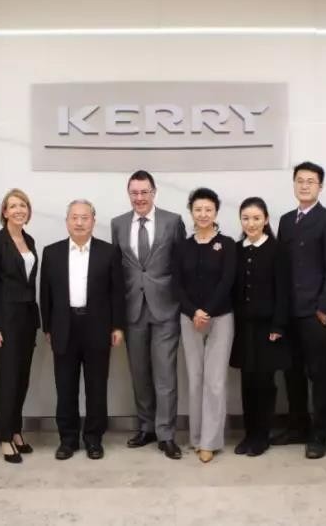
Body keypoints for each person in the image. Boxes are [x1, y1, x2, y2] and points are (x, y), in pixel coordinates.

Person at [41, 200, 126, 461]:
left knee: (96, 387)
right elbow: (45, 294)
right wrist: (48, 327)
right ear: (67, 221)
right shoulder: (52, 252)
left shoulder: (109, 252)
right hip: (64, 326)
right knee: (65, 387)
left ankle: (93, 439)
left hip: (97, 326)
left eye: (85, 217)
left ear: (93, 221)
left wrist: (117, 326)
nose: (79, 222)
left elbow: (117, 292)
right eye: (74, 217)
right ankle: (67, 439)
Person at [111, 170, 187, 459]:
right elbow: (117, 270)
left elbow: (181, 265)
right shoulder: (118, 224)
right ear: (128, 194)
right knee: (139, 373)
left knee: (165, 375)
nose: (139, 197)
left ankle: (166, 434)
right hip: (132, 309)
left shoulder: (173, 221)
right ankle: (146, 427)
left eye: (144, 192)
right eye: (134, 192)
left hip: (165, 308)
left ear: (154, 192)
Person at [275, 161, 326, 459]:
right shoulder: (285, 221)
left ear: (320, 186)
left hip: (315, 313)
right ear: (294, 184)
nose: (304, 186)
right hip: (288, 312)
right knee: (291, 373)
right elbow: (281, 267)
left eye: (310, 181)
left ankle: (319, 433)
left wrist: (324, 309)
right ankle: (297, 426)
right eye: (300, 180)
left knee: (319, 375)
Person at [174, 188, 237, 463]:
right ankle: (197, 437)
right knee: (195, 378)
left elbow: (227, 280)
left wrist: (207, 310)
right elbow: (176, 284)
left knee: (215, 381)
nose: (203, 214)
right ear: (191, 212)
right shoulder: (182, 246)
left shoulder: (227, 244)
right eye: (198, 209)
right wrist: (193, 311)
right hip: (189, 319)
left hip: (220, 318)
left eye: (208, 209)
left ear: (216, 212)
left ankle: (210, 441)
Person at [0, 189, 40, 464]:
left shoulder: (29, 240)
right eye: (13, 206)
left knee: (22, 378)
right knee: (7, 379)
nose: (19, 210)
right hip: (4, 321)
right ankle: (5, 437)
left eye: (23, 205)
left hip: (27, 319)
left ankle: (16, 430)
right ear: (5, 212)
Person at [231, 197, 289, 457]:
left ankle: (261, 436)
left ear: (265, 220)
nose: (251, 223)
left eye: (256, 218)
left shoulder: (277, 249)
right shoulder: (237, 249)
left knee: (264, 383)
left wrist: (279, 325)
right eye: (246, 218)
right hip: (243, 328)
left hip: (268, 328)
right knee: (247, 382)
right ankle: (249, 434)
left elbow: (283, 291)